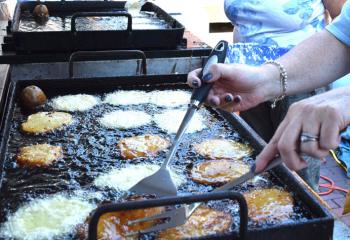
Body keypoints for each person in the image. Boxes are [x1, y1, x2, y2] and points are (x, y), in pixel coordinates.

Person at [187, 0, 350, 174]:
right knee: (253, 158)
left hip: (306, 83)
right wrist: (263, 80)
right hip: (255, 73)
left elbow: (339, 21)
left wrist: (345, 96)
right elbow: (342, 35)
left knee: (298, 173)